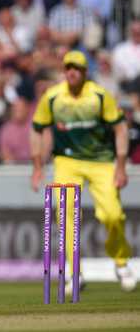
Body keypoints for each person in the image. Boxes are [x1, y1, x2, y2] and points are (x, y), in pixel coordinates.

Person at [30, 50, 137, 295]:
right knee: (64, 213)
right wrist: (37, 166)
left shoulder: (99, 96)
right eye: (68, 67)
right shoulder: (53, 96)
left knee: (112, 215)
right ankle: (73, 272)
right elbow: (37, 128)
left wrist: (121, 166)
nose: (72, 72)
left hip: (102, 161)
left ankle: (121, 264)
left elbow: (121, 129)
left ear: (85, 72)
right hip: (67, 161)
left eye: (76, 68)